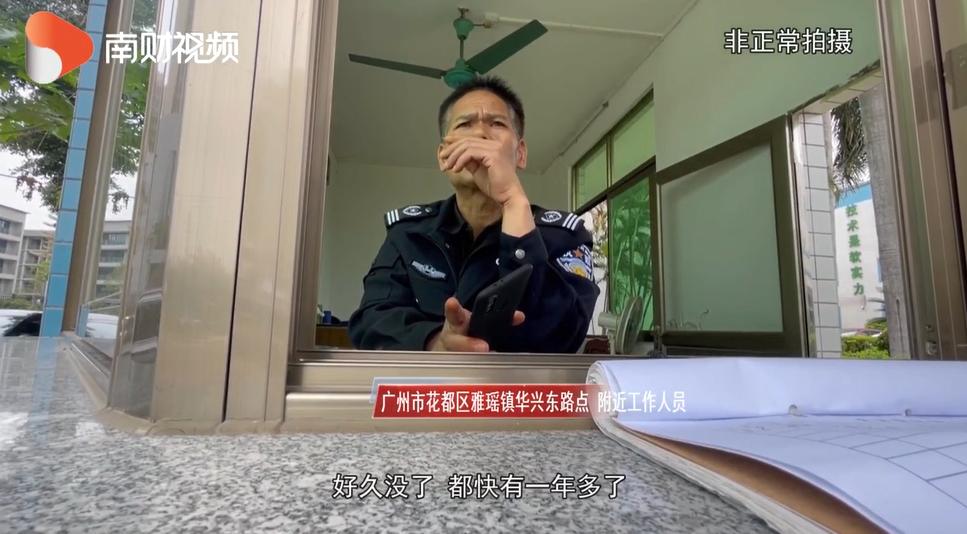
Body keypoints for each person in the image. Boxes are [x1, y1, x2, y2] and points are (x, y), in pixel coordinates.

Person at [348, 76, 599, 353]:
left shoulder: (564, 235)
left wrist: (513, 201)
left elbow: (567, 334)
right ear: (444, 156)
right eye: (465, 124)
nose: (480, 134)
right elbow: (370, 322)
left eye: (497, 124)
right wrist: (435, 342)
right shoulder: (408, 233)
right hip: (429, 382)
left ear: (520, 154)